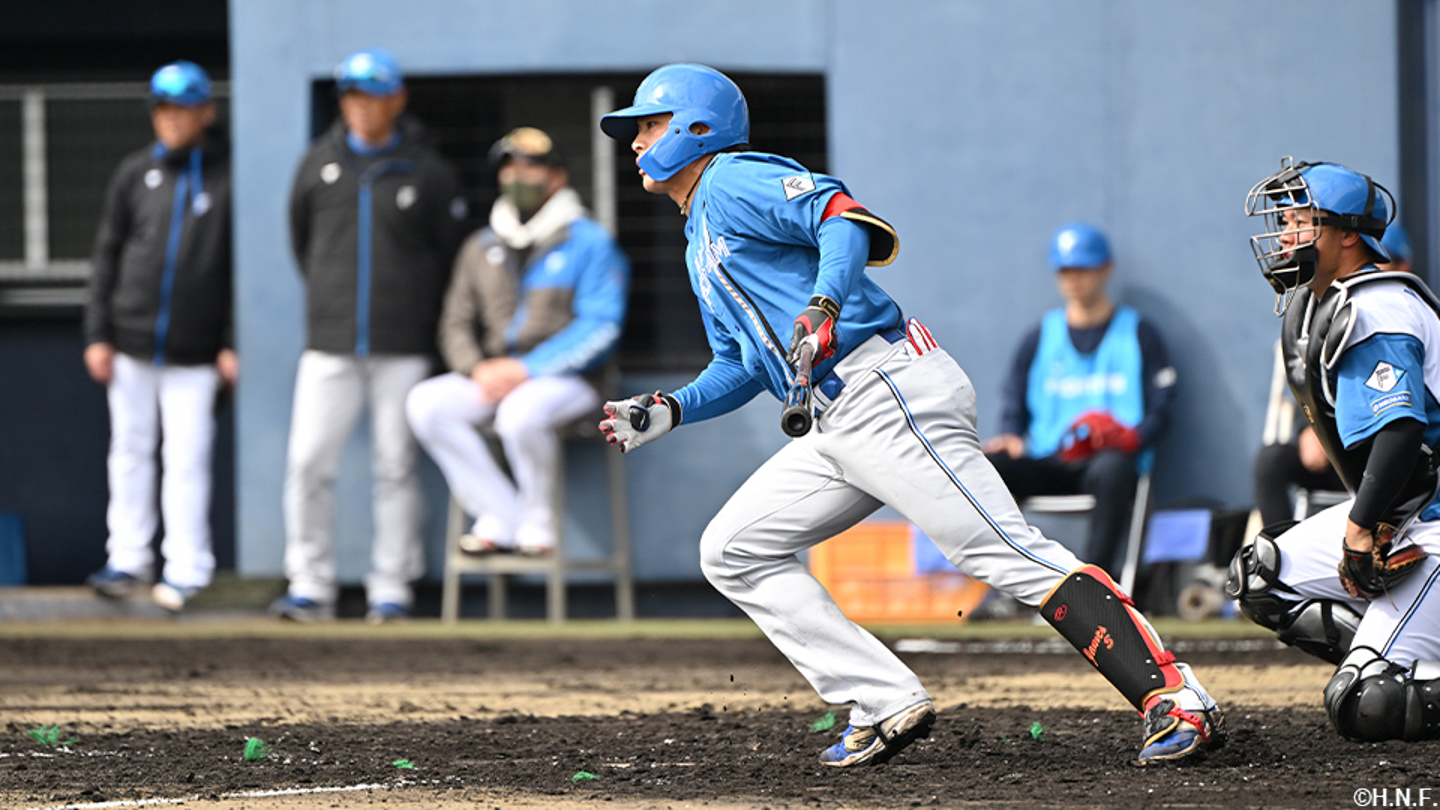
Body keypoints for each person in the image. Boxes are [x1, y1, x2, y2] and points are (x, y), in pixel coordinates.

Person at [597, 63, 1224, 767]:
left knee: (1002, 550)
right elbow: (741, 364)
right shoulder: (698, 238)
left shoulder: (731, 179)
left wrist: (825, 305)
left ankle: (1174, 695)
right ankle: (881, 698)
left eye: (649, 125)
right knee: (733, 549)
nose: (636, 142)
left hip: (883, 388)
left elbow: (841, 218)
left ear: (696, 128)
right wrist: (673, 408)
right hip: (836, 419)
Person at [1230, 158, 1440, 742]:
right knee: (1261, 577)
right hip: (1408, 513)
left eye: (1301, 220)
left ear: (1347, 235)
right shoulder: (1322, 302)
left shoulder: (1379, 306)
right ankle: (1397, 650)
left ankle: (1388, 666)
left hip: (1432, 522)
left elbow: (1401, 432)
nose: (1285, 234)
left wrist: (1359, 527)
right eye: (1284, 221)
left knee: (1365, 704)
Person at [274, 49, 467, 623]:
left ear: (396, 100)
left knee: (395, 467)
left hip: (403, 344)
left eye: (373, 96)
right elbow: (302, 244)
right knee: (308, 463)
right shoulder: (316, 164)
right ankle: (309, 585)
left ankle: (392, 588)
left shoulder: (427, 171)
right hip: (329, 343)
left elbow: (451, 258)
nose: (361, 106)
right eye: (352, 96)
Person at [406, 127, 629, 556]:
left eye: (529, 167)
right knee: (426, 404)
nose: (516, 176)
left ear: (557, 177)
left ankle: (538, 522)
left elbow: (602, 327)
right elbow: (454, 322)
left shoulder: (589, 241)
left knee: (519, 413)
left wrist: (528, 369)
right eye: (508, 168)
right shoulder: (481, 244)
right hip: (496, 374)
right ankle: (499, 513)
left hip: (572, 380)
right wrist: (476, 368)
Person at [82, 61, 235, 612]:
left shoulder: (229, 176)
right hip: (131, 342)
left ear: (206, 112)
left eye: (182, 108)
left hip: (196, 352)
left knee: (187, 458)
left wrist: (231, 340)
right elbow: (107, 255)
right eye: (163, 108)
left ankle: (187, 568)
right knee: (129, 450)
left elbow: (241, 267)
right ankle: (128, 558)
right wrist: (98, 333)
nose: (171, 118)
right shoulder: (134, 172)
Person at [981, 223, 1176, 576]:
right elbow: (1014, 398)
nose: (1073, 279)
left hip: (1108, 463)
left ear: (1106, 269)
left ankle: (1094, 583)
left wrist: (1136, 437)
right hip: (1049, 459)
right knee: (990, 466)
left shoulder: (1139, 333)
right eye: (1065, 270)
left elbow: (1162, 406)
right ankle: (1006, 581)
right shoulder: (1039, 337)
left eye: (1083, 268)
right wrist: (1011, 433)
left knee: (1113, 469)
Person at [1252, 221, 1412, 529]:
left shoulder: (1405, 318)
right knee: (1271, 460)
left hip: (1387, 462)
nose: (1373, 269)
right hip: (1338, 452)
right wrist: (1309, 429)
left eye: (1381, 260)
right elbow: (1316, 383)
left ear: (1403, 265)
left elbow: (1401, 417)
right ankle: (1282, 549)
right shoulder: (1331, 310)